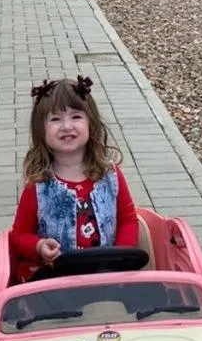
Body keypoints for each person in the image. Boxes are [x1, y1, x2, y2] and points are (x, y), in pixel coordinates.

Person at [8, 76, 139, 283]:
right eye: (55, 119)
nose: (66, 126)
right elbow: (18, 236)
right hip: (56, 279)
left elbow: (128, 221)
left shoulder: (110, 175)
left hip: (107, 274)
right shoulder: (38, 185)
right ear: (41, 130)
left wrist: (121, 255)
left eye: (76, 116)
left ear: (91, 123)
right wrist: (39, 246)